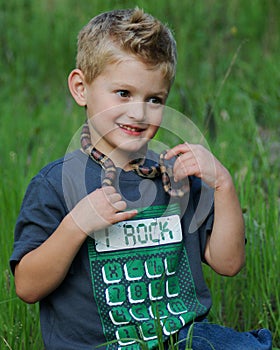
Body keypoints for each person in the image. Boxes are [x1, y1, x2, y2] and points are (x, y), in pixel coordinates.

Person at [10, 7, 272, 350]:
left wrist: (223, 186)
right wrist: (76, 225)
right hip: (101, 344)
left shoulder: (175, 176)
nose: (139, 111)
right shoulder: (55, 184)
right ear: (80, 88)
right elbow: (27, 287)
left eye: (154, 99)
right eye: (123, 93)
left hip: (182, 338)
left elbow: (229, 263)